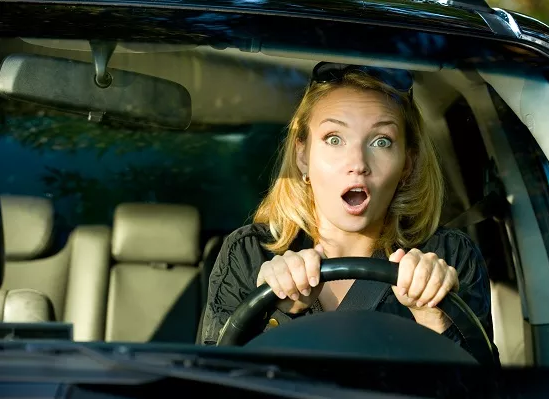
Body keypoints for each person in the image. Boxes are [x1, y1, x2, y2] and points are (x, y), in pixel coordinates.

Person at [200, 62, 498, 364]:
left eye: (381, 141)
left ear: (407, 164)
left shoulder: (449, 257)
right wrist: (280, 312)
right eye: (334, 139)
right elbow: (210, 383)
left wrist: (434, 319)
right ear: (303, 156)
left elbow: (485, 391)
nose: (357, 162)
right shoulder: (251, 253)